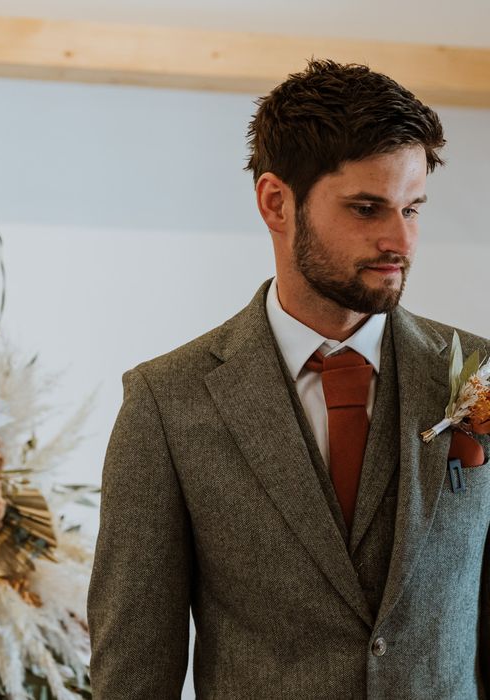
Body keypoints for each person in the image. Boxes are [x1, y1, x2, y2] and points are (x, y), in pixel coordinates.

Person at [86, 59, 490, 699]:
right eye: (367, 208)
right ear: (276, 202)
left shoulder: (483, 376)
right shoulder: (167, 403)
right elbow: (133, 672)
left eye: (411, 209)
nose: (400, 241)